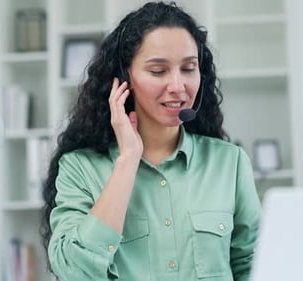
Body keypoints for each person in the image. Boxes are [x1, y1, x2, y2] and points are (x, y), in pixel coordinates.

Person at [41, 2, 261, 280]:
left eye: (189, 68)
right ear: (125, 79)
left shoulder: (230, 163)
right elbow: (74, 271)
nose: (178, 87)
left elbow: (253, 266)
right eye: (158, 71)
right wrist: (127, 161)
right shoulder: (79, 168)